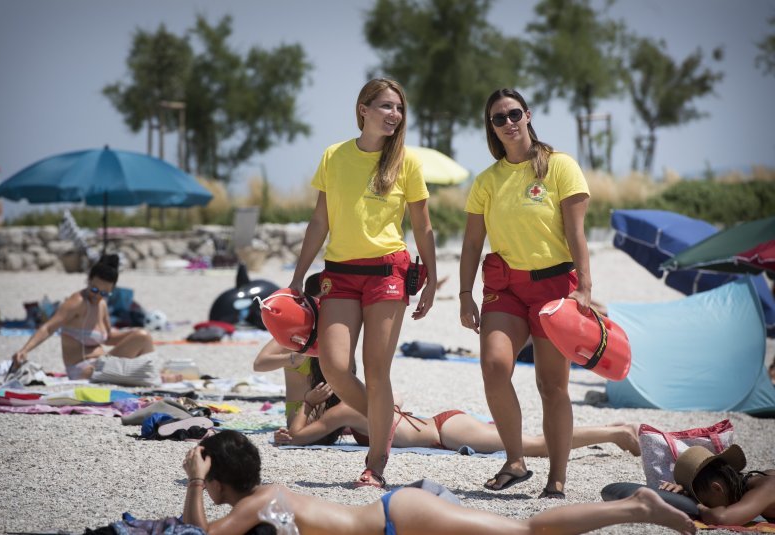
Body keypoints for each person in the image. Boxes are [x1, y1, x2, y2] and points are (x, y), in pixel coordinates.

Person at [287, 78, 437, 488]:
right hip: (339, 272)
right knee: (334, 368)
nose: (394, 115)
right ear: (363, 110)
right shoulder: (333, 156)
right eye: (386, 107)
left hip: (388, 271)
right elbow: (321, 220)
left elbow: (423, 229)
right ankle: (384, 421)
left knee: (376, 370)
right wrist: (299, 275)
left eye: (399, 109)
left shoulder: (406, 162)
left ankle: (376, 464)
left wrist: (433, 279)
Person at [459, 88, 592, 497]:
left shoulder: (560, 166)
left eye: (514, 113)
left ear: (528, 115)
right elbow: (471, 244)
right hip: (505, 287)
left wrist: (585, 288)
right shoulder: (486, 181)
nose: (508, 122)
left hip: (556, 288)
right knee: (495, 366)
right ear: (492, 128)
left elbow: (575, 232)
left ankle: (557, 477)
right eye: (499, 118)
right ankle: (515, 461)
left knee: (552, 386)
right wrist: (464, 293)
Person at [181, 430, 696, 535]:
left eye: (208, 481)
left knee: (525, 533)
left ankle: (637, 508)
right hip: (395, 513)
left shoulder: (254, 507)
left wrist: (192, 483)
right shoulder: (269, 498)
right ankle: (636, 509)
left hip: (396, 519)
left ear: (220, 479)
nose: (204, 488)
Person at [273, 378, 641, 457]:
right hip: (443, 425)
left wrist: (305, 401)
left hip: (446, 432)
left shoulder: (342, 411)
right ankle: (611, 431)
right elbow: (398, 394)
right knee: (530, 441)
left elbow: (296, 437)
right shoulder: (363, 402)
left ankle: (613, 433)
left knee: (535, 447)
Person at [10, 254, 154, 379]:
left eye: (104, 293)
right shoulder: (77, 301)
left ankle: (152, 375)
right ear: (89, 280)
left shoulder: (101, 304)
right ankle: (154, 376)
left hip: (101, 364)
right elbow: (49, 327)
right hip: (83, 370)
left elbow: (108, 338)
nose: (98, 296)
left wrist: (132, 333)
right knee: (143, 352)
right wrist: (25, 350)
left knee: (144, 337)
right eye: (95, 289)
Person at [253, 274, 325, 426]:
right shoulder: (297, 331)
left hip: (332, 413)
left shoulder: (334, 329)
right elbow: (259, 364)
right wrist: (292, 359)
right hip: (303, 415)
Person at [659, 445, 775, 525]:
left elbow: (721, 518)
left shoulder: (767, 487)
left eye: (707, 503)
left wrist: (699, 506)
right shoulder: (760, 480)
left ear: (717, 488)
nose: (708, 507)